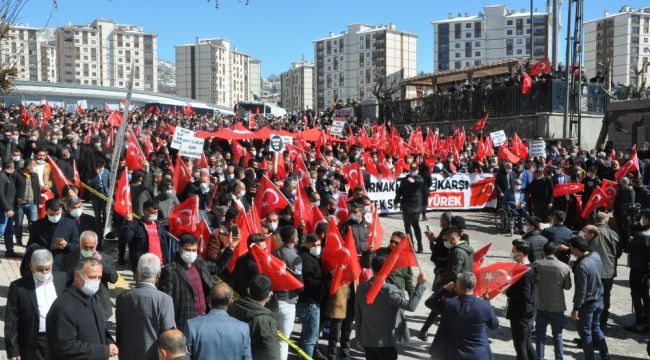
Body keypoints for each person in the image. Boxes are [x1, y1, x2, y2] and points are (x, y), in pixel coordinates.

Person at [354, 255, 427, 360]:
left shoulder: (361, 288)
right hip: (385, 343)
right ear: (387, 269)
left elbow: (358, 316)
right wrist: (420, 285)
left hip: (368, 341)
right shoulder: (389, 290)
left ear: (372, 267)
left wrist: (359, 338)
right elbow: (411, 306)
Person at [46, 258, 119, 359]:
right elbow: (65, 347)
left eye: (99, 278)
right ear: (77, 276)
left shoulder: (89, 297)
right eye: (92, 277)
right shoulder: (63, 307)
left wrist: (108, 341)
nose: (96, 282)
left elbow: (98, 326)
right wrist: (104, 350)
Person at [158, 233, 233, 332]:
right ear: (180, 249)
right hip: (185, 322)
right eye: (188, 250)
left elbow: (217, 267)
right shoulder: (170, 270)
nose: (191, 253)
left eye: (194, 250)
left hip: (205, 316)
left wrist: (230, 248)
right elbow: (166, 301)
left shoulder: (199, 261)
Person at [5, 249, 68, 360]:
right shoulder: (18, 287)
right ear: (31, 266)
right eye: (40, 269)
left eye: (47, 269)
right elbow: (12, 320)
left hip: (60, 339)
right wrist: (12, 350)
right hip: (34, 342)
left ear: (52, 266)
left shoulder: (62, 279)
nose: (44, 273)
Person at [425, 272, 499, 360]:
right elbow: (494, 325)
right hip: (479, 354)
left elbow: (429, 302)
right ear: (474, 286)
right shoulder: (485, 305)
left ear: (458, 286)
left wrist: (445, 289)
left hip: (453, 354)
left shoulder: (449, 304)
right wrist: (487, 303)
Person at [116, 253, 176, 360]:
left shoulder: (122, 297)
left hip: (126, 355)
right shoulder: (164, 300)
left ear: (137, 273)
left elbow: (120, 330)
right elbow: (169, 335)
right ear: (158, 275)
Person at [185, 283, 252, 360]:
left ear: (208, 300)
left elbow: (185, 357)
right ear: (231, 302)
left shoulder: (192, 325)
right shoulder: (243, 328)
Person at [570, 236, 611, 360]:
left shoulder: (581, 266)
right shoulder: (595, 255)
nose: (571, 251)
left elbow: (581, 291)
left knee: (586, 334)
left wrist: (576, 308)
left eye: (572, 248)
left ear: (577, 249)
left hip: (587, 304)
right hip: (599, 300)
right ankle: (605, 356)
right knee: (596, 328)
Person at [534, 241, 572, 360]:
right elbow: (567, 286)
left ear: (544, 251)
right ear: (556, 252)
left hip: (540, 304)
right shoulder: (564, 267)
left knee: (540, 335)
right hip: (557, 306)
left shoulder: (536, 264)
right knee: (558, 335)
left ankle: (539, 357)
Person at [22, 198, 80, 276]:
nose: (55, 216)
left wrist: (67, 245)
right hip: (43, 267)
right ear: (46, 211)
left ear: (61, 210)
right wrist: (49, 248)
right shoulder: (37, 225)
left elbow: (77, 245)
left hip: (63, 267)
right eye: (52, 215)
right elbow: (31, 246)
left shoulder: (71, 224)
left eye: (58, 214)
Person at [228, 275, 281, 360]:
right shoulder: (266, 321)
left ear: (248, 290)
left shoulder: (232, 307)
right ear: (270, 295)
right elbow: (273, 354)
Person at [272, 226, 304, 360]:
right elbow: (299, 281)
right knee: (284, 340)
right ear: (294, 238)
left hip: (273, 300)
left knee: (273, 338)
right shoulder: (295, 257)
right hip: (288, 301)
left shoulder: (273, 254)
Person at [506, 239, 538, 360]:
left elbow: (525, 295)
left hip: (521, 313)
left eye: (513, 250)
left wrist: (507, 291)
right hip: (528, 311)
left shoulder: (525, 272)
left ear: (519, 253)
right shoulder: (530, 267)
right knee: (526, 343)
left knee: (520, 346)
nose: (511, 253)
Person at [297, 233, 326, 357]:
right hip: (309, 303)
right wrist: (328, 277)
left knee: (307, 337)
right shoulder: (306, 259)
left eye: (319, 245)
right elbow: (310, 282)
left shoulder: (312, 257)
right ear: (307, 244)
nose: (317, 247)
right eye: (314, 245)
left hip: (311, 302)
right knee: (310, 340)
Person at [121, 200, 171, 271]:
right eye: (153, 212)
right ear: (145, 212)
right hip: (143, 267)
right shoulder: (136, 226)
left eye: (156, 212)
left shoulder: (160, 226)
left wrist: (167, 264)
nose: (156, 214)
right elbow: (125, 238)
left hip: (160, 266)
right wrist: (127, 222)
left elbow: (165, 247)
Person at [590, 212, 619, 328]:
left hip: (593, 270)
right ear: (606, 221)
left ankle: (593, 324)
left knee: (591, 298)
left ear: (595, 220)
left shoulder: (590, 232)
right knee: (606, 296)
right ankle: (602, 321)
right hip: (609, 270)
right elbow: (619, 252)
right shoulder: (614, 234)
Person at [624, 209, 650, 333]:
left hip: (638, 269)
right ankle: (646, 320)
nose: (642, 219)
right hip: (648, 270)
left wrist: (631, 240)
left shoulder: (640, 235)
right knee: (645, 295)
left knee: (636, 295)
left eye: (644, 217)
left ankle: (639, 323)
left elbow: (627, 249)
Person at [394, 162, 425, 253]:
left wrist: (414, 181)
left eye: (415, 170)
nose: (413, 171)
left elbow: (421, 182)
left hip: (416, 205)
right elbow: (399, 191)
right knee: (407, 226)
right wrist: (396, 201)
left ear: (417, 170)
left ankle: (420, 244)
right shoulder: (405, 179)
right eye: (412, 169)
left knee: (415, 224)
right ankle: (411, 244)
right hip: (406, 205)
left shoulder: (419, 178)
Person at [12, 158, 40, 248]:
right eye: (34, 165)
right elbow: (12, 189)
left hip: (32, 204)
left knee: (34, 224)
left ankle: (31, 242)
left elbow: (37, 190)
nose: (35, 167)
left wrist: (38, 202)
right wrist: (15, 200)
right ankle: (19, 240)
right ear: (28, 166)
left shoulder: (35, 175)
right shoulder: (16, 174)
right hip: (20, 205)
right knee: (18, 224)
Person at [0, 159, 18, 257]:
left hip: (10, 209)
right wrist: (8, 208)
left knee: (9, 231)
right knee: (1, 231)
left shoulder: (8, 176)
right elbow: (1, 195)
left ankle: (10, 251)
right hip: (4, 210)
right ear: (11, 168)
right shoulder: (2, 177)